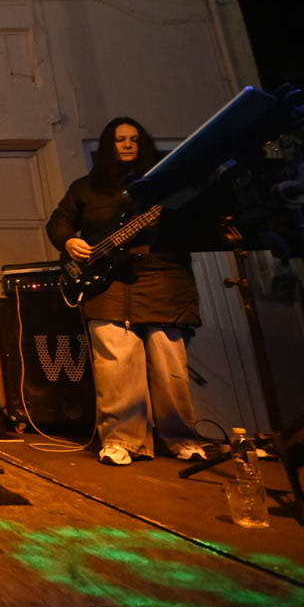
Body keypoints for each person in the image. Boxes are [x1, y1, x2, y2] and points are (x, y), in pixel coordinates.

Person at [46, 116, 207, 467]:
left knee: (168, 364)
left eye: (134, 139)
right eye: (120, 139)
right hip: (107, 283)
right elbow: (59, 222)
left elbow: (196, 221)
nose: (128, 144)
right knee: (116, 366)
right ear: (108, 145)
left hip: (163, 278)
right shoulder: (85, 188)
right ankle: (121, 440)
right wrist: (69, 241)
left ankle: (181, 439)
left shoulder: (165, 185)